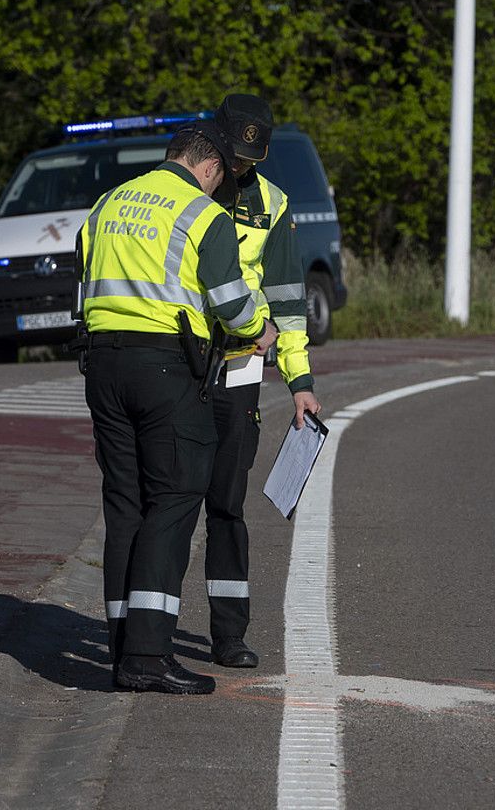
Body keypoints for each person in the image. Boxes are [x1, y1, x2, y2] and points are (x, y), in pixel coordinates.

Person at [76, 119, 277, 695]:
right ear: (210, 166)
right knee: (178, 495)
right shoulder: (202, 214)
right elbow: (233, 305)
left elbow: (82, 286)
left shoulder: (107, 203)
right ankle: (147, 655)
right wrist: (261, 331)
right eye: (221, 178)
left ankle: (121, 644)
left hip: (102, 366)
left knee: (126, 505)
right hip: (164, 367)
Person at [202, 94, 321, 669]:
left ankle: (228, 634)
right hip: (181, 362)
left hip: (242, 365)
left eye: (253, 157)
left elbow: (289, 304)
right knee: (171, 502)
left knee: (228, 502)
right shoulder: (187, 189)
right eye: (235, 154)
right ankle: (149, 630)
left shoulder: (272, 204)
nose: (243, 166)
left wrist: (299, 382)